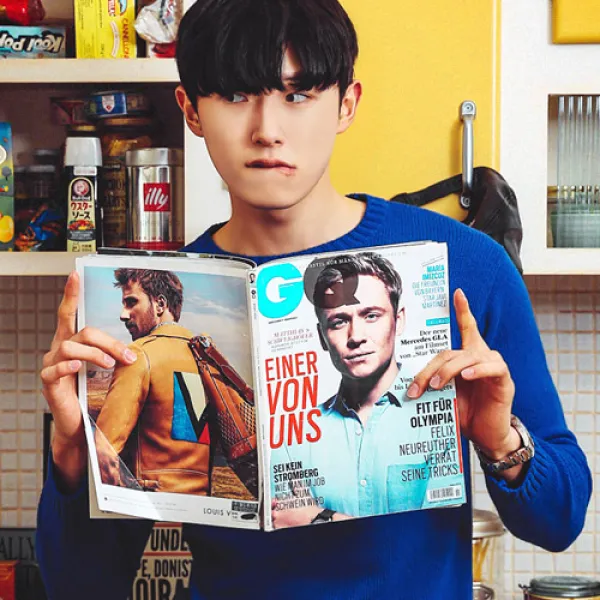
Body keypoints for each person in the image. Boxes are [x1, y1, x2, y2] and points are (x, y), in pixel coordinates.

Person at [37, 0, 592, 598]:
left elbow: (559, 523)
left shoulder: (468, 266)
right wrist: (70, 454)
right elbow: (81, 585)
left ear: (346, 104)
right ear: (191, 110)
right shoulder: (168, 295)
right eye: (235, 95)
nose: (267, 129)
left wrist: (502, 440)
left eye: (297, 95)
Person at [270, 252, 462, 528]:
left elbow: (434, 535)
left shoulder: (439, 414)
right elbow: (287, 533)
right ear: (322, 336)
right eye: (338, 322)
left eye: (371, 316)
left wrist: (319, 518)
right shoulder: (292, 436)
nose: (356, 337)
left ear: (399, 320)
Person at [92, 268, 214, 495]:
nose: (123, 314)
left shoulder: (139, 355)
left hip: (151, 506)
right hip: (202, 504)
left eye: (131, 302)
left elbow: (103, 452)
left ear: (160, 304)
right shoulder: (206, 356)